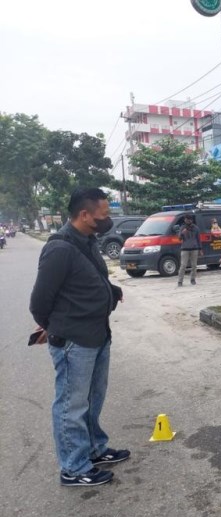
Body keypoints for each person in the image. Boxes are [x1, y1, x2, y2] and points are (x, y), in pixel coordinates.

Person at [29, 188, 130, 487]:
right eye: (104, 215)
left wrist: (111, 292)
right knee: (71, 406)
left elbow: (88, 280)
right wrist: (57, 328)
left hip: (98, 334)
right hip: (74, 340)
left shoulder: (86, 241)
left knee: (91, 400)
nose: (108, 220)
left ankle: (94, 449)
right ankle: (73, 468)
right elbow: (39, 302)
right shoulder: (59, 248)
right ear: (84, 215)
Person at [177, 214, 202, 287]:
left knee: (194, 266)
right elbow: (179, 238)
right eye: (187, 219)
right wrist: (182, 233)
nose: (188, 220)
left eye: (190, 219)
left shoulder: (196, 228)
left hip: (194, 249)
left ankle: (193, 279)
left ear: (192, 220)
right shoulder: (182, 227)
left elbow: (198, 239)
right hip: (185, 249)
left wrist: (200, 249)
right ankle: (180, 281)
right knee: (183, 265)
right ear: (185, 220)